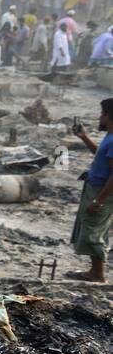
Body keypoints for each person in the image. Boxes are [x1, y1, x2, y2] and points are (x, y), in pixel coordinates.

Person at [71, 99, 113, 283]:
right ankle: (94, 271)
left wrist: (99, 200)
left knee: (93, 230)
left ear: (110, 116)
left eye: (102, 114)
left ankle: (98, 274)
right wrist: (84, 137)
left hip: (101, 192)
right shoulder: (110, 136)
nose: (100, 117)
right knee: (92, 227)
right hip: (95, 188)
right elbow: (101, 156)